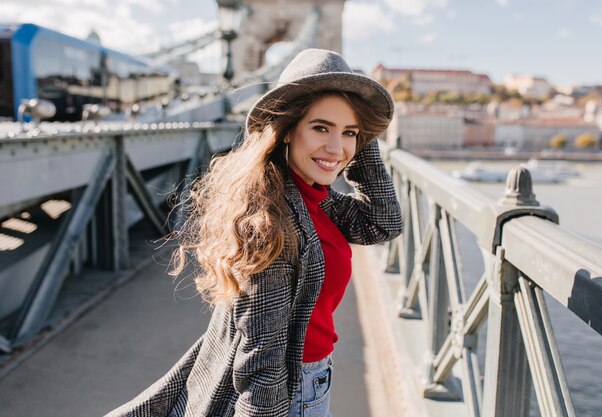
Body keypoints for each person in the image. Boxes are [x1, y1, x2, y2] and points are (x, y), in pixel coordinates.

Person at [105, 48, 402, 417]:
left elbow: (382, 222)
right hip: (294, 392)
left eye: (349, 133)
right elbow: (264, 362)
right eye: (321, 127)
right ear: (288, 130)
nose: (335, 147)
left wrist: (358, 133)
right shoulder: (269, 221)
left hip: (312, 378)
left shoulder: (314, 196)